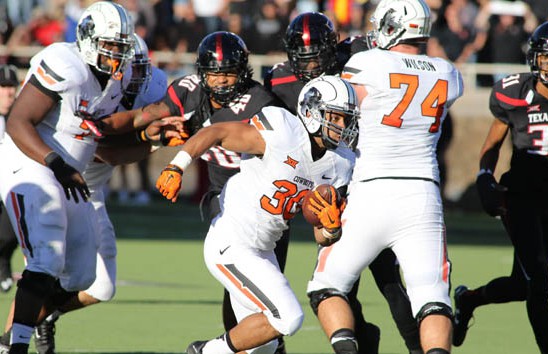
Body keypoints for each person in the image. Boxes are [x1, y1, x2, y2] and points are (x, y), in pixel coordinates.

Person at [98, 29, 286, 353]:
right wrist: (103, 128)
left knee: (262, 284)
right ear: (202, 74)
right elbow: (149, 116)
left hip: (262, 197)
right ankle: (240, 343)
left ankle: (251, 342)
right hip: (223, 196)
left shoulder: (260, 102)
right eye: (215, 75)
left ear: (242, 73)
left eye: (229, 74)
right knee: (238, 281)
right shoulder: (188, 90)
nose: (223, 82)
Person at [156, 74, 359, 354]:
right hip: (232, 242)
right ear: (312, 113)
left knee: (263, 347)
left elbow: (321, 235)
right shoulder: (282, 130)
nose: (342, 126)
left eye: (346, 119)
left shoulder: (341, 162)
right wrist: (177, 166)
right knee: (288, 317)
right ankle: (204, 352)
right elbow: (215, 132)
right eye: (335, 118)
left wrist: (332, 229)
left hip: (264, 251)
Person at [307, 0, 464, 353]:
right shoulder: (448, 73)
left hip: (371, 190)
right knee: (433, 298)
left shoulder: (368, 63)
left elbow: (340, 111)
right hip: (423, 196)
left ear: (393, 26)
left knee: (327, 286)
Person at [264, 11, 422, 354]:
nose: (310, 66)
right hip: (323, 184)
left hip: (368, 178)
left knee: (388, 277)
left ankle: (416, 347)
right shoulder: (278, 81)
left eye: (318, 56)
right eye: (303, 59)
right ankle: (363, 338)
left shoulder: (361, 60)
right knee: (339, 283)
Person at [453, 21, 548, 354]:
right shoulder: (513, 93)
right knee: (539, 281)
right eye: (545, 58)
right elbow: (492, 144)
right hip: (518, 196)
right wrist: (484, 176)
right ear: (533, 59)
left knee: (521, 286)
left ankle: (467, 300)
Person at [0, 2, 135, 353]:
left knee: (82, 276)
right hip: (31, 163)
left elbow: (103, 140)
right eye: (111, 47)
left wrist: (155, 133)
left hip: (69, 176)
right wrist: (56, 163)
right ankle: (15, 346)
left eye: (122, 48)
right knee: (46, 257)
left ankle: (26, 325)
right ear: (90, 39)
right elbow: (17, 121)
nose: (117, 56)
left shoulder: (113, 83)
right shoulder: (66, 64)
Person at [28, 33, 168, 354]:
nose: (135, 78)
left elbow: (146, 117)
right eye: (126, 68)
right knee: (42, 277)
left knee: (102, 287)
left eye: (139, 69)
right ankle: (12, 338)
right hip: (56, 186)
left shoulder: (148, 85)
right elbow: (106, 152)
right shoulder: (87, 87)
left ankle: (45, 318)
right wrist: (154, 138)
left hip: (92, 193)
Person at [0, 64, 19, 294]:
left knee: (11, 233)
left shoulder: (21, 117)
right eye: (3, 87)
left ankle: (3, 263)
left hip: (13, 182)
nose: (8, 92)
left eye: (11, 86)